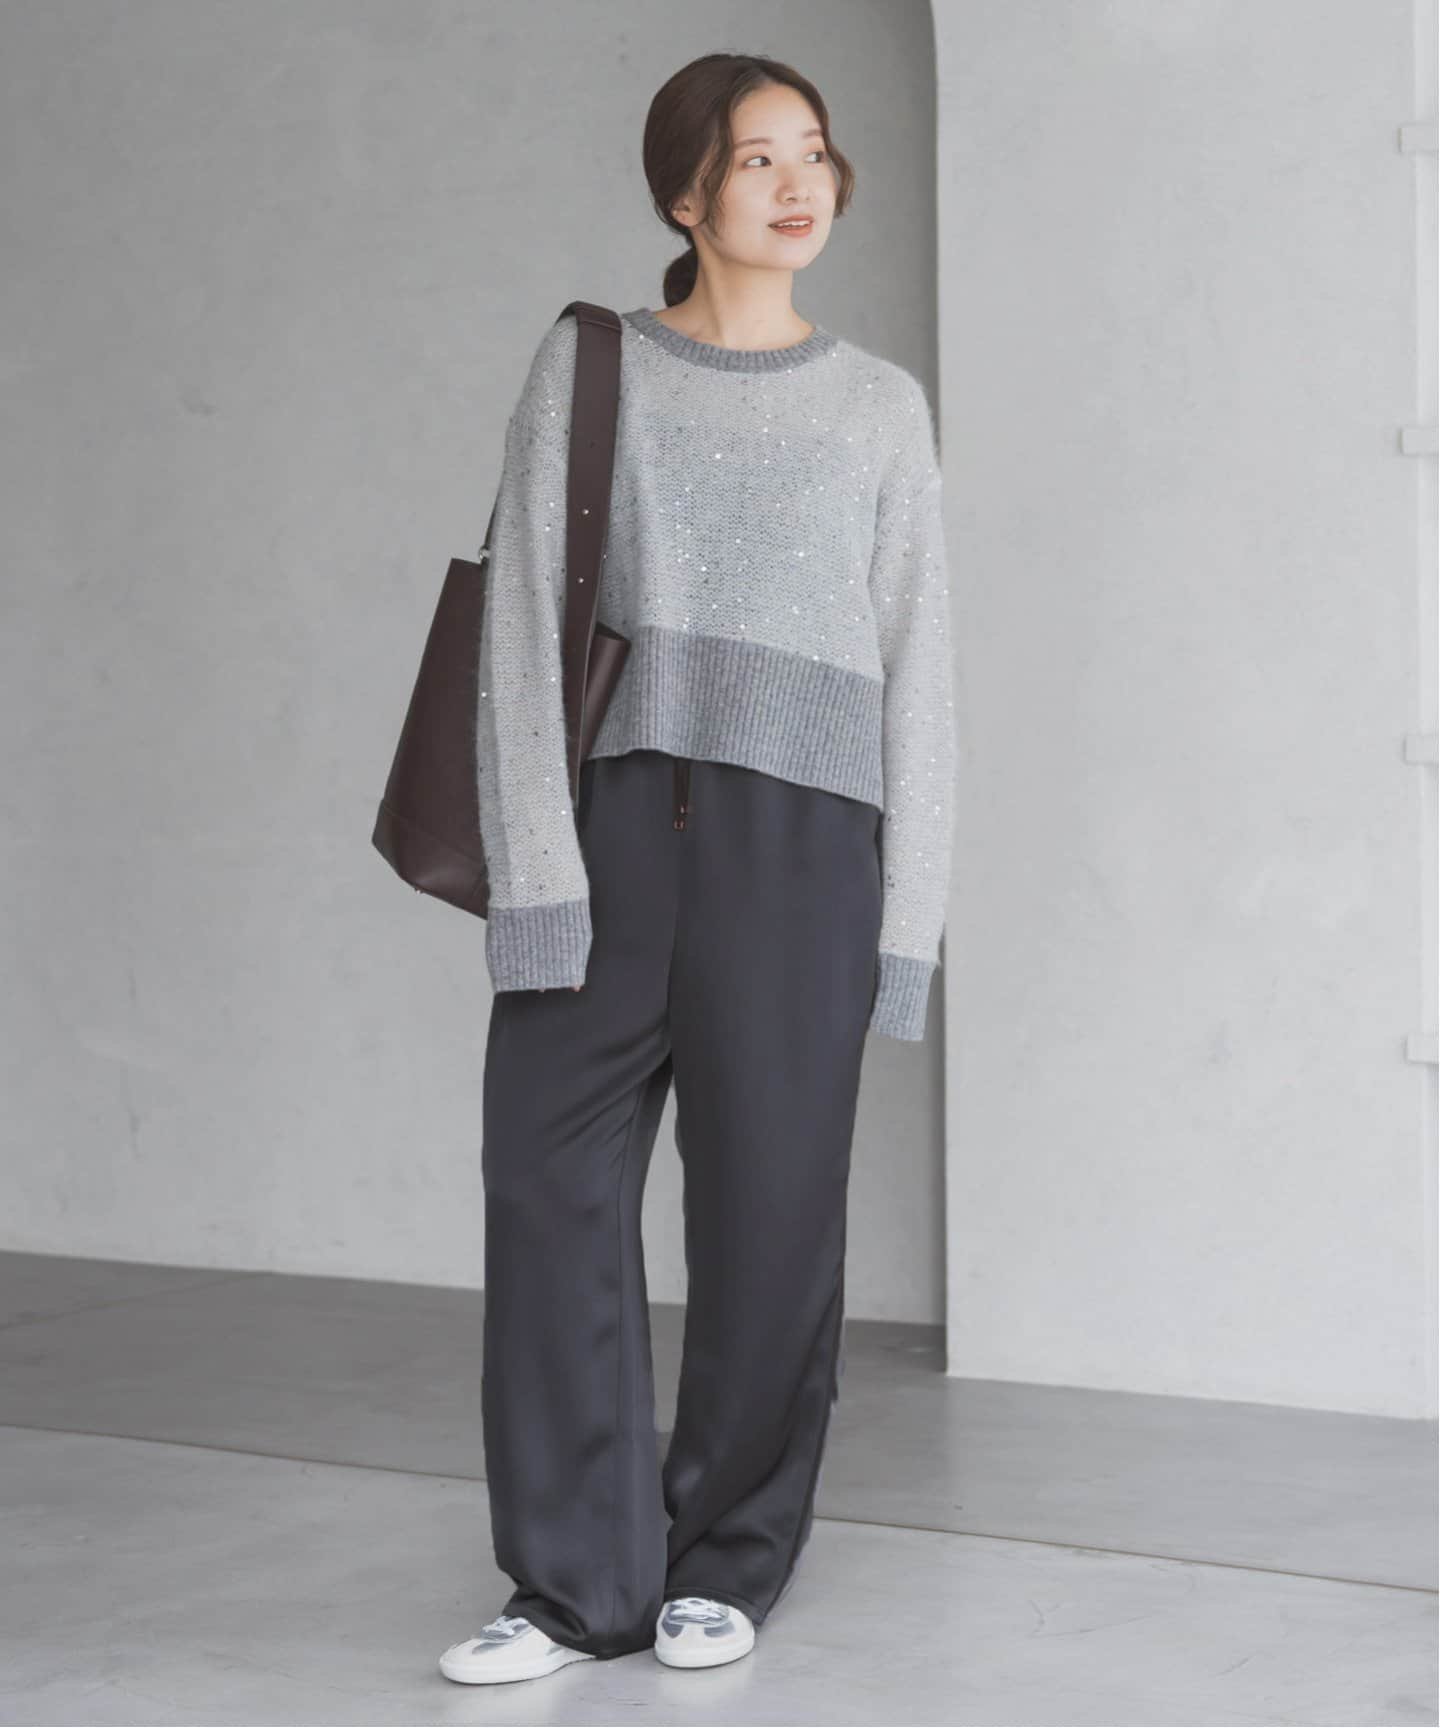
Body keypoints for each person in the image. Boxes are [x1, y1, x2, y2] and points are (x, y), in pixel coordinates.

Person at [440, 50, 956, 1686]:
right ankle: (571, 1586)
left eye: (815, 153)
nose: (799, 185)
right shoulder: (592, 369)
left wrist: (909, 925)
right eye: (755, 160)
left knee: (772, 1219)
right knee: (547, 1192)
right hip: (613, 832)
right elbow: (520, 636)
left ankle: (725, 1559)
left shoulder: (879, 408)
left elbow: (920, 673)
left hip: (803, 855)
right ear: (684, 193)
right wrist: (539, 880)